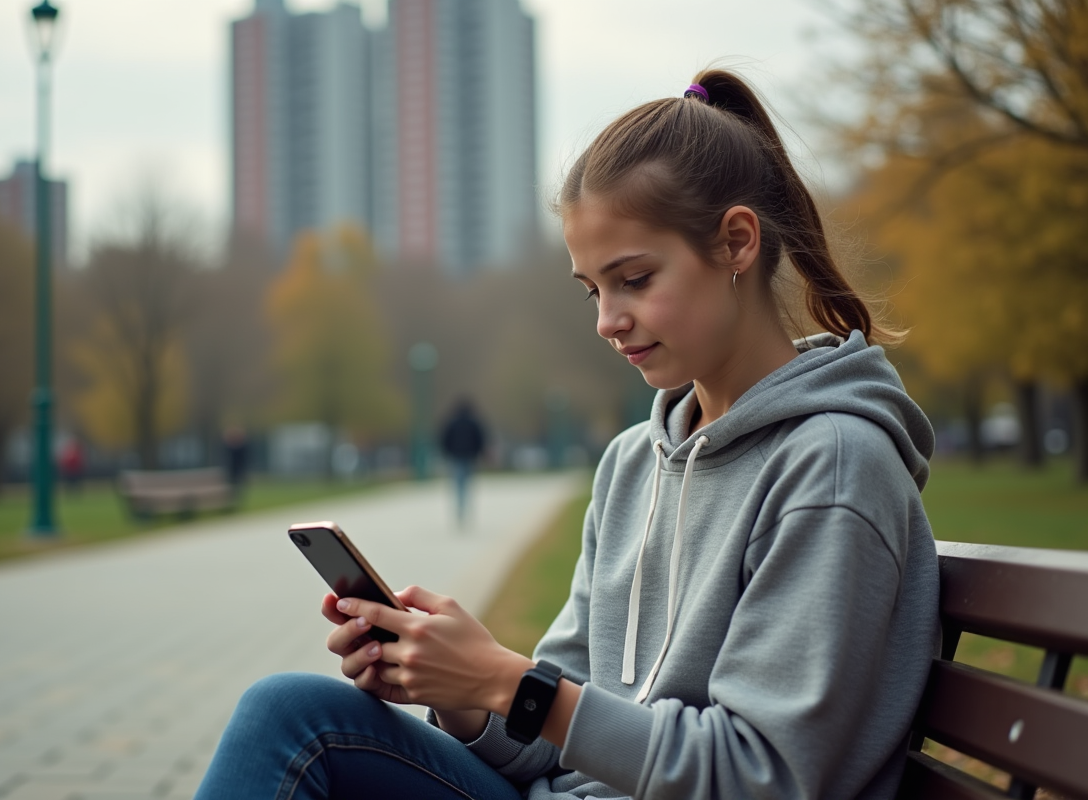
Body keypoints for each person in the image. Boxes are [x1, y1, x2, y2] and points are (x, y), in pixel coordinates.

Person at [195, 70, 940, 800]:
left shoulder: (833, 467)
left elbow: (765, 777)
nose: (606, 320)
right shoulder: (630, 465)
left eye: (635, 279)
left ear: (736, 243)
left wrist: (505, 679)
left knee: (289, 721)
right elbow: (547, 736)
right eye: (592, 289)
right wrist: (458, 688)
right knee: (291, 713)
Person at [440, 398, 488, 525]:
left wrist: (447, 453)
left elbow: (445, 439)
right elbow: (480, 440)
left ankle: (461, 509)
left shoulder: (452, 423)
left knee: (458, 484)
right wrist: (479, 453)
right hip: (470, 457)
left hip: (456, 457)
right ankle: (467, 508)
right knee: (468, 484)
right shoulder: (473, 423)